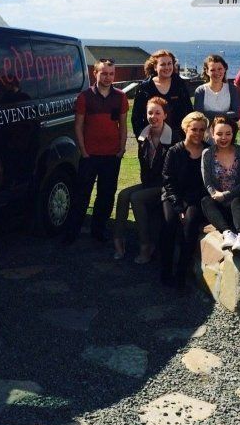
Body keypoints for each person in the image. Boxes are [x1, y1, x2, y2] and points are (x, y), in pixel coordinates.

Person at [62, 58, 128, 244]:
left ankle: (98, 230)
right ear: (95, 73)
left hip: (111, 155)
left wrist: (122, 148)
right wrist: (83, 151)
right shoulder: (85, 97)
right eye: (104, 73)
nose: (108, 77)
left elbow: (123, 125)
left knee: (106, 195)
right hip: (89, 155)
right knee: (82, 195)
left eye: (111, 74)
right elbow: (78, 126)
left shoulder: (120, 96)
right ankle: (71, 232)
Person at [113, 96, 174, 264]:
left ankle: (146, 245)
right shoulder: (143, 136)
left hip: (165, 186)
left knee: (136, 198)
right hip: (149, 183)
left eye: (157, 113)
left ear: (165, 115)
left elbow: (172, 173)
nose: (153, 116)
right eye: (150, 113)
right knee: (123, 195)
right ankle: (118, 240)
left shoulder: (173, 138)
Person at [160, 112, 210, 289]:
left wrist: (189, 205)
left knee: (190, 225)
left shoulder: (208, 151)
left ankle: (182, 272)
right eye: (194, 129)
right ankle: (165, 270)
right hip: (173, 194)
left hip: (195, 197)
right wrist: (178, 205)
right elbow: (168, 180)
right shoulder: (174, 151)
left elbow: (207, 182)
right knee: (170, 222)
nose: (197, 133)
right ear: (185, 128)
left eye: (201, 130)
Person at [200, 116, 240, 252]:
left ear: (233, 134)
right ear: (212, 134)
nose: (223, 138)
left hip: (239, 202)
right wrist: (214, 194)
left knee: (237, 202)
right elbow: (207, 181)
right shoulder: (207, 154)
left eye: (228, 134)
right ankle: (227, 233)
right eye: (219, 134)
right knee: (206, 201)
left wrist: (226, 194)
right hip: (219, 203)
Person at [131, 49, 193, 141]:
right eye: (163, 64)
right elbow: (136, 118)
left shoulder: (180, 85)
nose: (167, 67)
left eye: (169, 63)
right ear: (155, 67)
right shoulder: (145, 87)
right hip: (152, 140)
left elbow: (189, 112)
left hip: (177, 140)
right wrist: (142, 140)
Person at [193, 54, 240, 122]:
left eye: (220, 69)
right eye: (212, 70)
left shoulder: (232, 89)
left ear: (225, 69)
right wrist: (227, 114)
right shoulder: (201, 91)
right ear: (207, 71)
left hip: (225, 131)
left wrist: (208, 114)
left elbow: (236, 114)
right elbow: (199, 115)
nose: (217, 72)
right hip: (205, 131)